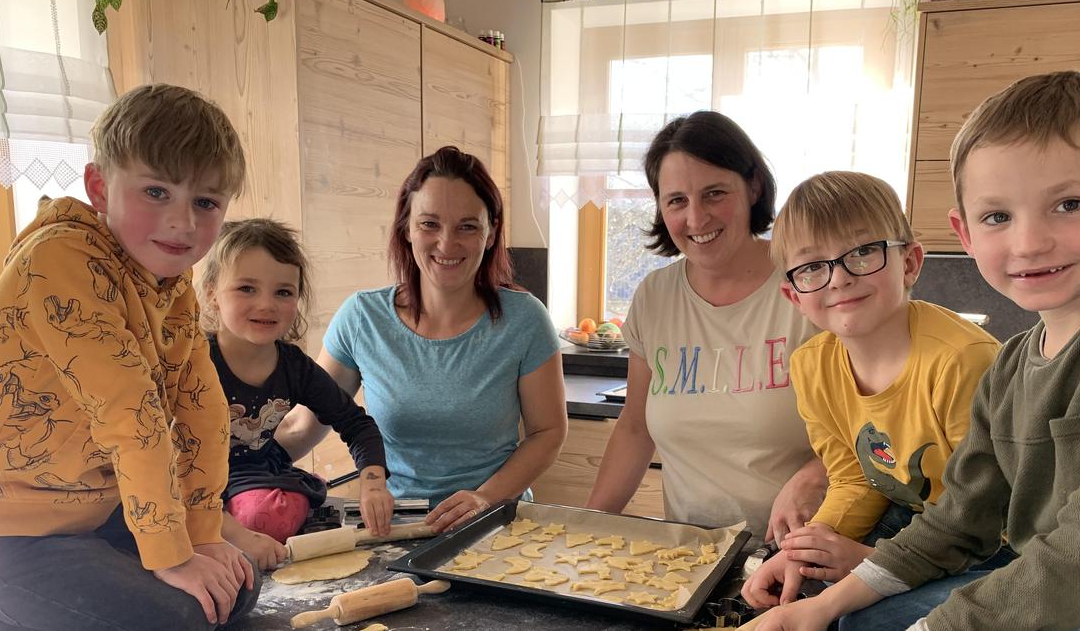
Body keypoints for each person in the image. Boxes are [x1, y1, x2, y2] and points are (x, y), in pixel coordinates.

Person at [753, 71, 1080, 631]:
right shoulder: (1013, 368)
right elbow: (957, 523)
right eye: (998, 216)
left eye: (1068, 204)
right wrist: (811, 613)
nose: (1029, 241)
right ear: (965, 235)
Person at [0, 84, 259, 629]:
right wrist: (171, 556)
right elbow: (131, 412)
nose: (183, 222)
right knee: (180, 615)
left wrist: (201, 533)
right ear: (100, 186)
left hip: (84, 512)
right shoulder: (60, 258)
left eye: (206, 202)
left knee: (235, 590)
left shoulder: (173, 286)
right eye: (157, 192)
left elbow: (201, 409)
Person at [740, 171, 1001, 609]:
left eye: (862, 253)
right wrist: (801, 552)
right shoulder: (812, 366)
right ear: (793, 294)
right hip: (914, 520)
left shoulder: (961, 360)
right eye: (812, 267)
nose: (839, 278)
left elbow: (983, 515)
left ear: (911, 263)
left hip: (999, 539)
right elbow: (855, 478)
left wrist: (871, 563)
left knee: (868, 621)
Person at [275, 146, 567, 533]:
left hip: (496, 522)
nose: (447, 244)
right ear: (406, 228)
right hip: (396, 527)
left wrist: (485, 497)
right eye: (430, 223)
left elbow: (548, 432)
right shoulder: (363, 319)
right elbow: (303, 425)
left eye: (468, 226)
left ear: (492, 231)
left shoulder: (525, 320)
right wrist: (226, 473)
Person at [586, 111, 827, 543]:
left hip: (799, 554)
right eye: (676, 200)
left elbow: (873, 431)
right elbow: (636, 427)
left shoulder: (809, 285)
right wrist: (585, 527)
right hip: (690, 557)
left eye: (714, 194)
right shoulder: (655, 297)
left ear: (752, 187)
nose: (696, 219)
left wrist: (814, 474)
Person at [196, 218, 393, 571]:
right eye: (246, 289)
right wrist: (238, 535)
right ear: (212, 292)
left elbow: (356, 423)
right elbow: (167, 469)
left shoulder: (293, 367)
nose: (266, 304)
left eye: (283, 292)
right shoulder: (194, 365)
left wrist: (373, 482)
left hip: (259, 475)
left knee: (272, 512)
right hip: (194, 483)